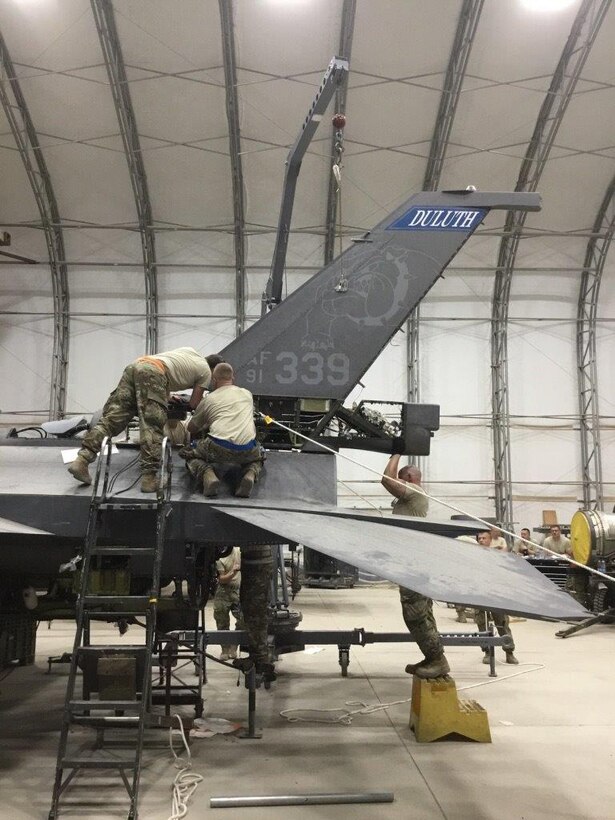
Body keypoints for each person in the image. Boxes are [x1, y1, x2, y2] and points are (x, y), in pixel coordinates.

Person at [67, 348, 222, 493]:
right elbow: (195, 403)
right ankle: (149, 479)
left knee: (112, 420)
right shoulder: (206, 372)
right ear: (215, 369)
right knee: (152, 425)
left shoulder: (190, 352)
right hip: (152, 373)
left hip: (135, 366)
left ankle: (82, 460)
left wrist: (167, 396)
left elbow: (166, 369)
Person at [381, 453, 450, 679]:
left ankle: (438, 660)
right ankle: (432, 657)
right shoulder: (409, 499)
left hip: (414, 564)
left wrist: (396, 453)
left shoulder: (416, 491)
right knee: (422, 613)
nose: (399, 483)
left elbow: (386, 480)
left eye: (403, 479)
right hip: (412, 562)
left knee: (415, 614)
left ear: (409, 477)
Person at [184, 362, 262, 498]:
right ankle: (250, 473)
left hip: (218, 448)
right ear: (233, 378)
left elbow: (191, 428)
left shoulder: (209, 399)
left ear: (214, 381)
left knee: (190, 453)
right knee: (259, 455)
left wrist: (206, 422)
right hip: (247, 448)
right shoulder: (247, 394)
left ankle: (207, 474)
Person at [475, 530, 519, 664]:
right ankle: (487, 651)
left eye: (484, 538)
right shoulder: (473, 557)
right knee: (482, 624)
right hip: (479, 595)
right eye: (480, 538)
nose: (482, 540)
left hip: (496, 595)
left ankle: (509, 651)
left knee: (502, 623)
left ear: (490, 540)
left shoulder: (498, 556)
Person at [214, 547, 242, 660]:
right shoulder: (219, 559)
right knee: (222, 621)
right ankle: (225, 650)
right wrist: (233, 572)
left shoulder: (238, 551)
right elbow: (222, 579)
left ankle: (234, 647)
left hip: (237, 591)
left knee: (243, 619)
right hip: (223, 591)